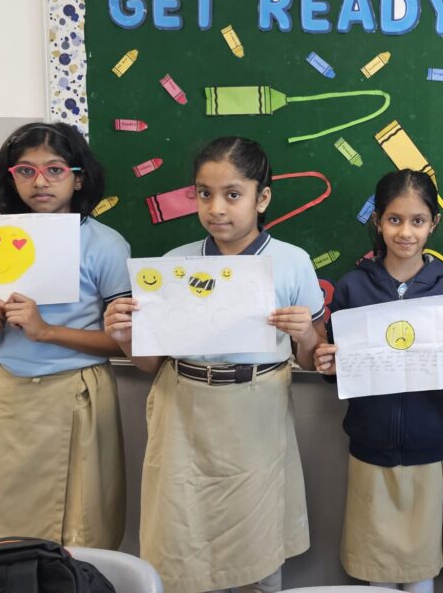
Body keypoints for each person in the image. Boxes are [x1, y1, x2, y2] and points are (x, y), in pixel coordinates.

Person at [104, 136, 325, 593]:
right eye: (204, 194)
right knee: (182, 537)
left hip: (256, 410)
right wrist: (124, 336)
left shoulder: (292, 263)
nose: (216, 208)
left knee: (258, 542)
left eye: (233, 194)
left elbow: (312, 356)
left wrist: (306, 334)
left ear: (262, 198)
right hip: (183, 409)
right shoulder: (174, 265)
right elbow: (148, 364)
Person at [313, 169, 443, 593]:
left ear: (434, 224)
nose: (405, 232)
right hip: (372, 447)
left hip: (432, 446)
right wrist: (329, 365)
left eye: (417, 221)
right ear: (377, 221)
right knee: (378, 566)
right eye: (394, 219)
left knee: (422, 568)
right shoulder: (353, 287)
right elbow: (343, 373)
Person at [0, 122, 129, 548]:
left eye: (54, 170)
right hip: (9, 395)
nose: (40, 182)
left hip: (76, 393)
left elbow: (125, 343)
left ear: (78, 178)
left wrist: (47, 331)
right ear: (11, 178)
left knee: (79, 533)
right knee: (2, 530)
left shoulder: (105, 245)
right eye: (26, 171)